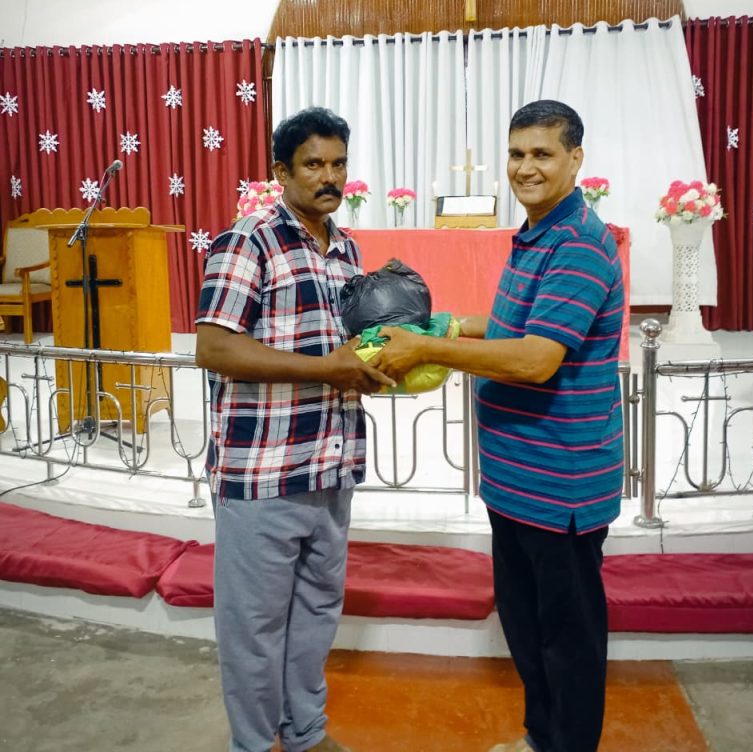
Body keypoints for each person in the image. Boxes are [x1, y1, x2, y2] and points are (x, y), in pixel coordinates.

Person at [374, 100, 625, 752]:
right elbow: (516, 326)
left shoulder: (577, 243)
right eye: (516, 154)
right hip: (516, 481)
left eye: (543, 154)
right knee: (525, 628)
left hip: (560, 488)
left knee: (566, 643)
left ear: (576, 159)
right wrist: (453, 325)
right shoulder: (539, 232)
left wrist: (427, 349)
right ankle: (541, 739)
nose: (525, 168)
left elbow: (536, 359)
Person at [195, 106, 393, 752]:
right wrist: (326, 369)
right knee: (254, 629)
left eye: (338, 164)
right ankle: (254, 744)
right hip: (264, 472)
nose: (329, 177)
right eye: (313, 164)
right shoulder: (248, 242)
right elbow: (214, 348)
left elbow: (346, 348)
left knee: (316, 614)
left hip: (330, 466)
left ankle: (305, 733)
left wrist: (381, 362)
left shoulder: (347, 250)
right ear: (281, 172)